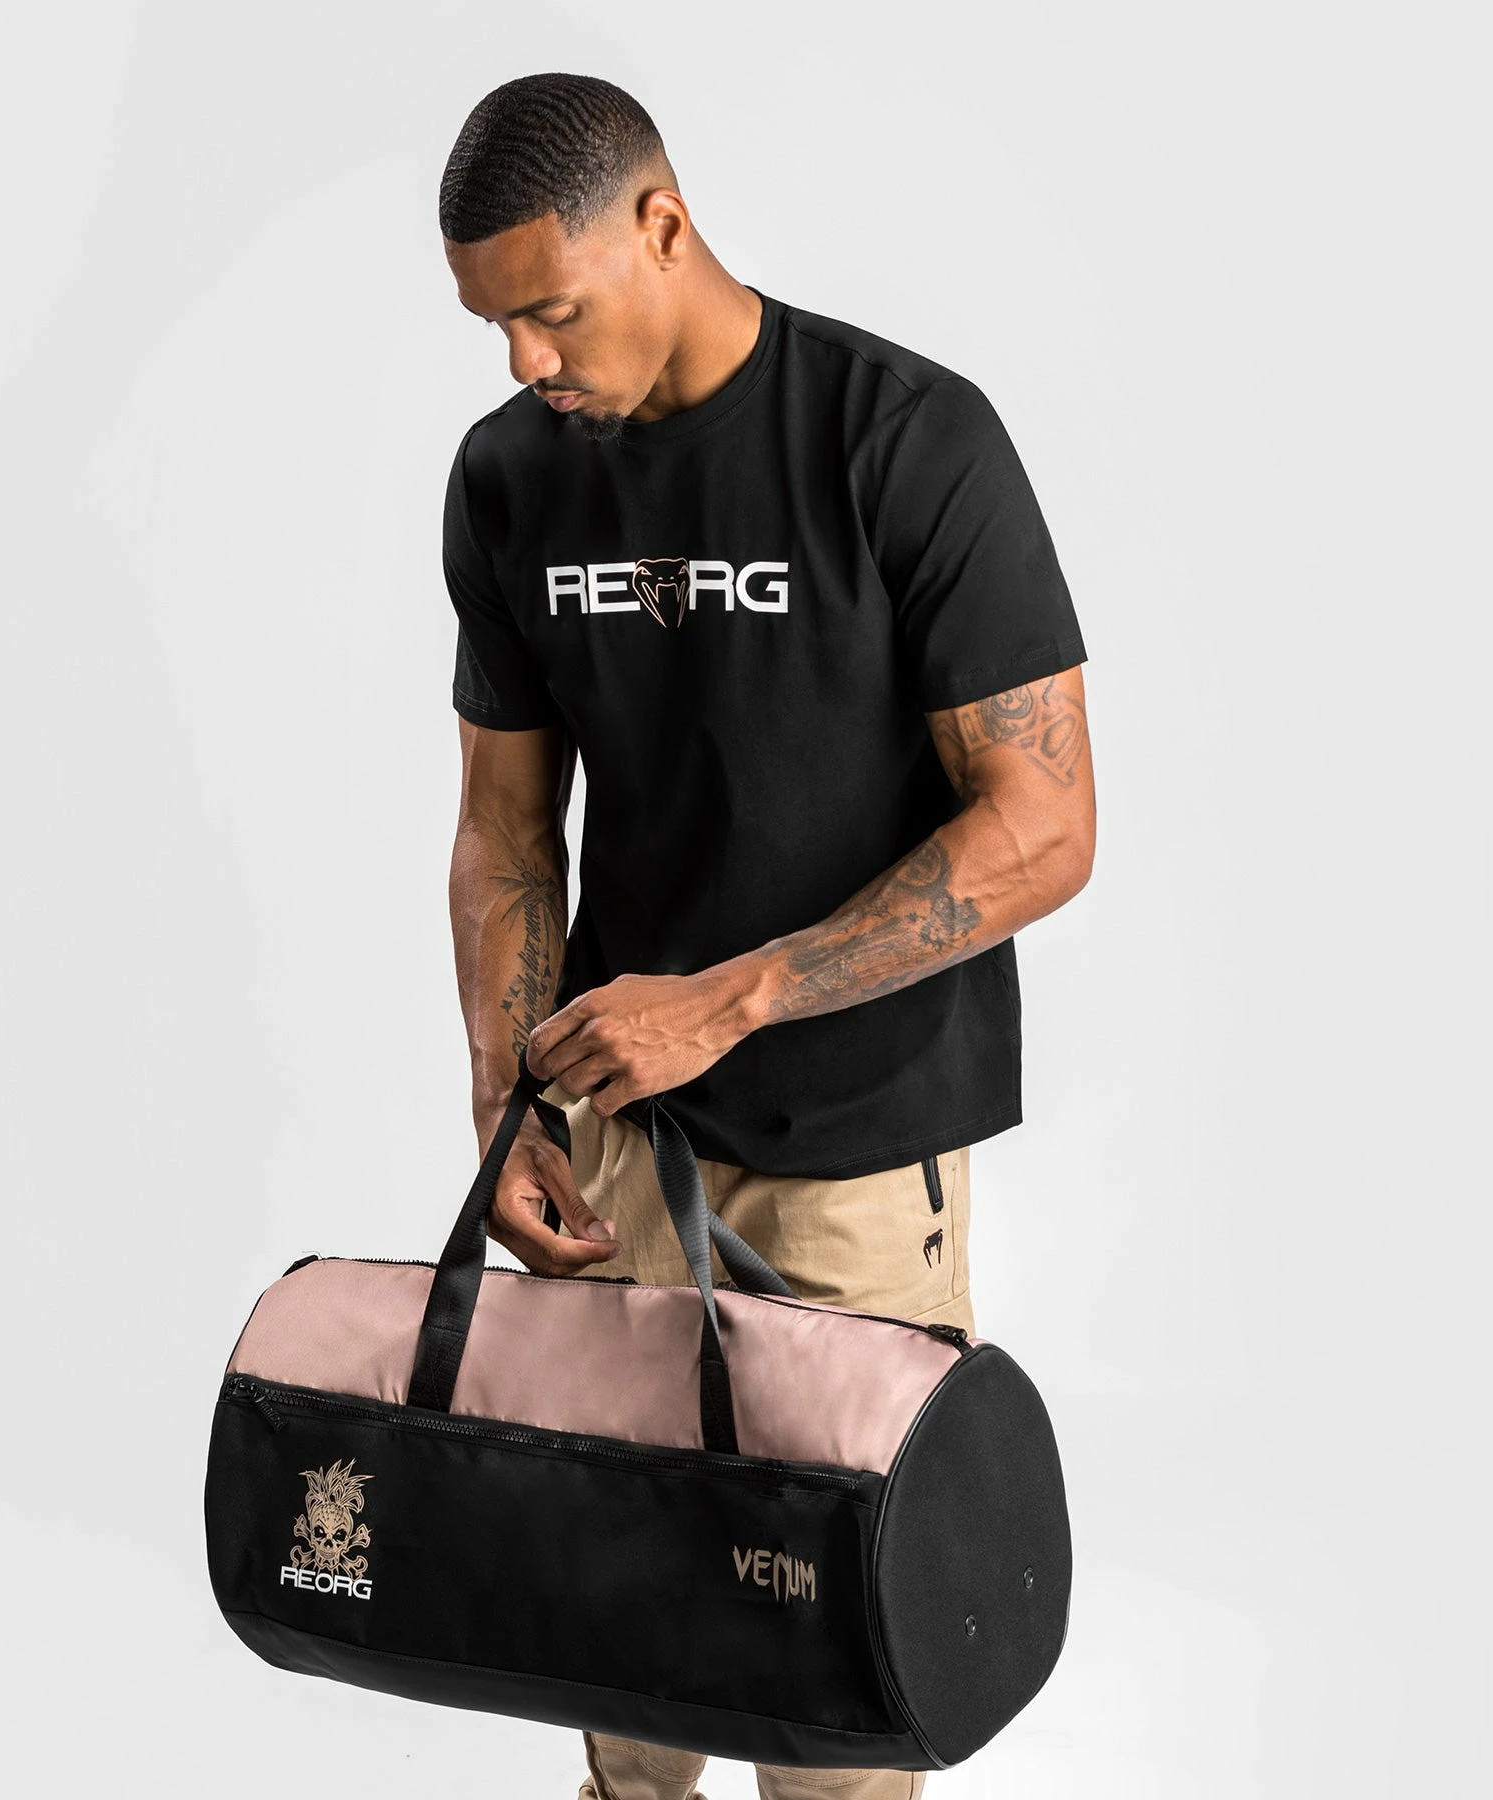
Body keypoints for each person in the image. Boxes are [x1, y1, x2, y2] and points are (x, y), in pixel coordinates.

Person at [438, 71, 1095, 1800]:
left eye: (550, 310)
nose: (523, 360)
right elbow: (507, 830)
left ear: (662, 224)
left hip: (855, 1156)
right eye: (492, 324)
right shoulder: (510, 479)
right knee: (625, 1671)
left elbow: (1043, 826)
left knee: (832, 1705)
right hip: (614, 1150)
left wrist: (727, 1002)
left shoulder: (900, 437)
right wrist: (505, 1103)